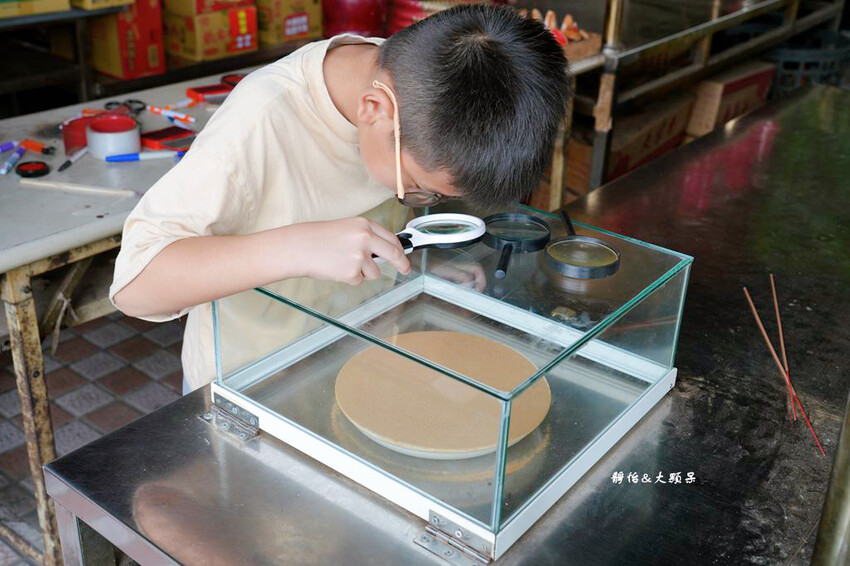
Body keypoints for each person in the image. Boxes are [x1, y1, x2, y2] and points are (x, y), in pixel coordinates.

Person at [110, 5, 573, 394]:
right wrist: (296, 247)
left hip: (353, 362)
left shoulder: (412, 80)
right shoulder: (261, 120)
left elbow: (364, 238)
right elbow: (135, 284)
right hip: (253, 385)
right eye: (420, 189)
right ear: (374, 111)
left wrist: (411, 270)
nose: (420, 200)